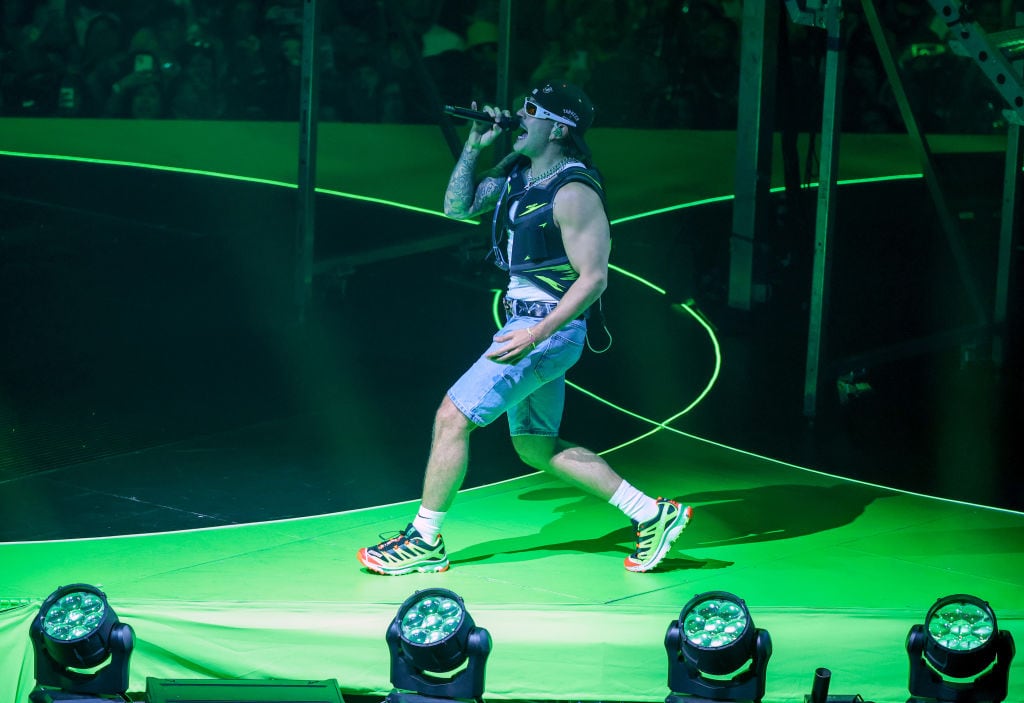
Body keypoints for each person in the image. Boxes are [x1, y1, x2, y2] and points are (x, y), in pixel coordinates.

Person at [357, 81, 692, 576]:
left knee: (452, 417)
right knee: (535, 446)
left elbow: (594, 279)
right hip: (527, 325)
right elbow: (456, 207)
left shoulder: (574, 192)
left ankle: (424, 540)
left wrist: (537, 335)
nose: (519, 116)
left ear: (558, 129)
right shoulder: (519, 173)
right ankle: (650, 513)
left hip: (545, 330)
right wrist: (474, 145)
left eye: (530, 110)